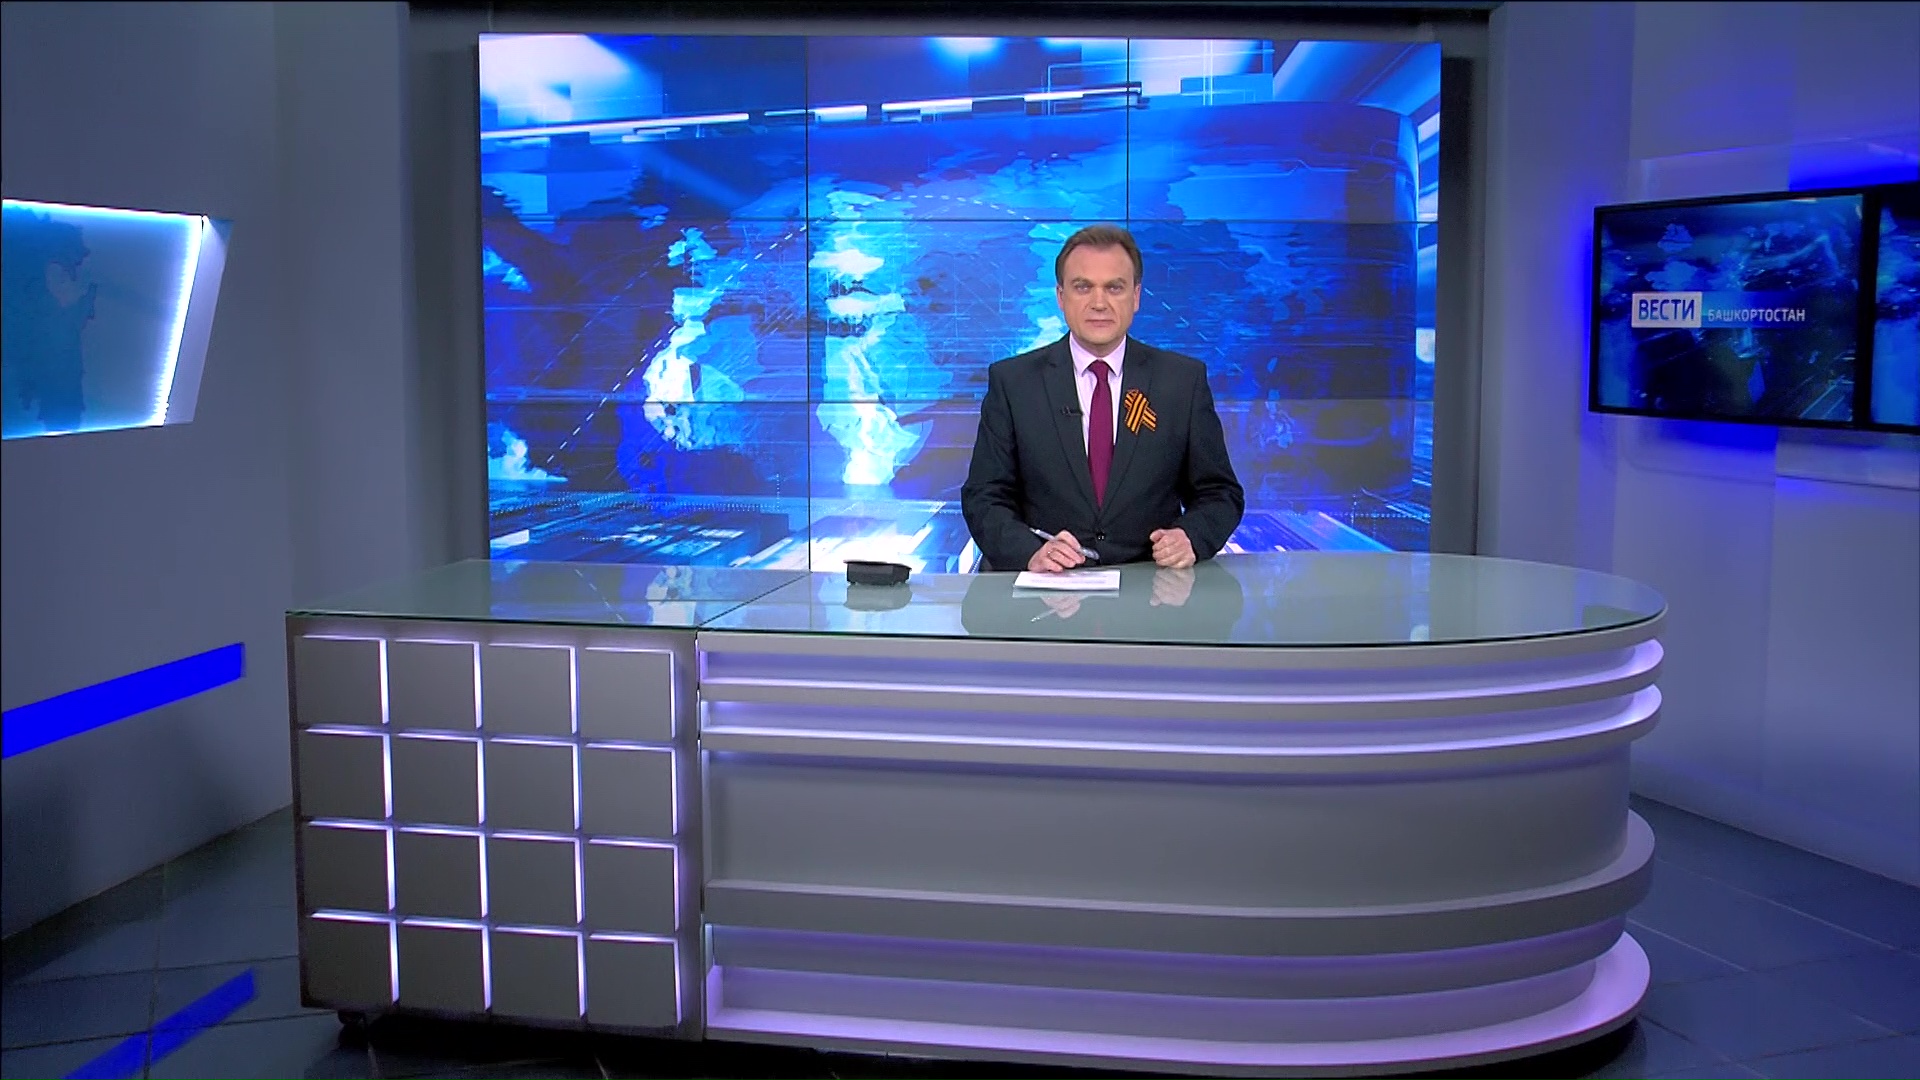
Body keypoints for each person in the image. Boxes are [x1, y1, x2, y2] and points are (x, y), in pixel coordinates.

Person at [961, 225, 1245, 572]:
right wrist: (1029, 553)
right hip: (1046, 588)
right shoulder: (1014, 382)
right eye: (1083, 287)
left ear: (1136, 296)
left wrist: (1191, 537)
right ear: (1061, 296)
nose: (1099, 303)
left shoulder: (1182, 382)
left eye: (1114, 287)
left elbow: (1220, 493)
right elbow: (984, 496)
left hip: (1151, 587)